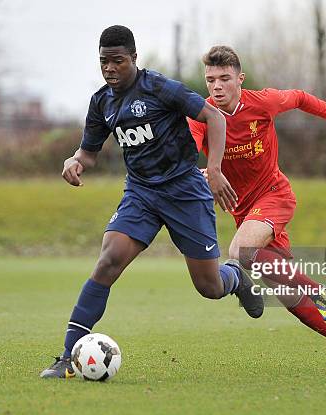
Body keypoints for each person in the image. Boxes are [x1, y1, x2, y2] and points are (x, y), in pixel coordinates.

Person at [41, 28, 263, 379]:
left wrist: (216, 169)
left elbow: (215, 117)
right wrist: (75, 160)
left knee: (208, 287)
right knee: (108, 261)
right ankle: (68, 356)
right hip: (141, 194)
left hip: (185, 191)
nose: (110, 68)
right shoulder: (102, 102)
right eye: (104, 62)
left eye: (118, 61)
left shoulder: (159, 87)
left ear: (133, 58)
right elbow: (89, 151)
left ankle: (235, 278)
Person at [188, 46, 326, 373]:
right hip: (244, 211)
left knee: (240, 250)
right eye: (210, 80)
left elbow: (301, 97)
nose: (216, 86)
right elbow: (186, 152)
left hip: (274, 195)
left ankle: (317, 290)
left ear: (240, 79)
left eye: (224, 78)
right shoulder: (202, 115)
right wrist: (198, 173)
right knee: (287, 294)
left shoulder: (262, 102)